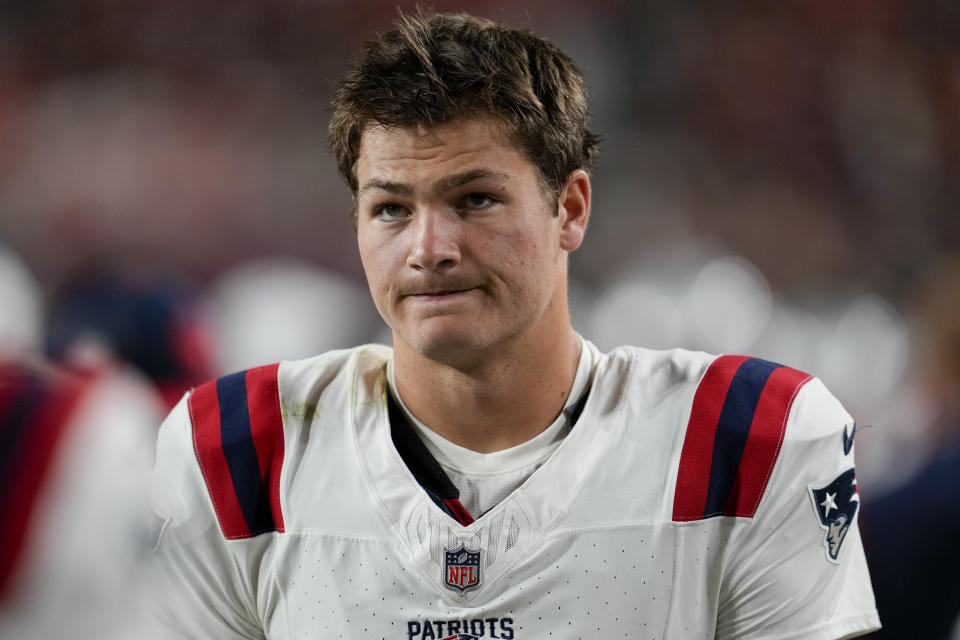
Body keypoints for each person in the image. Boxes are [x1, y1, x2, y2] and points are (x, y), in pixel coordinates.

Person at [148, 11, 880, 639]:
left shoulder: (747, 442)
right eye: (391, 209)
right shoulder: (240, 456)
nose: (429, 249)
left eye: (474, 200)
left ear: (571, 209)